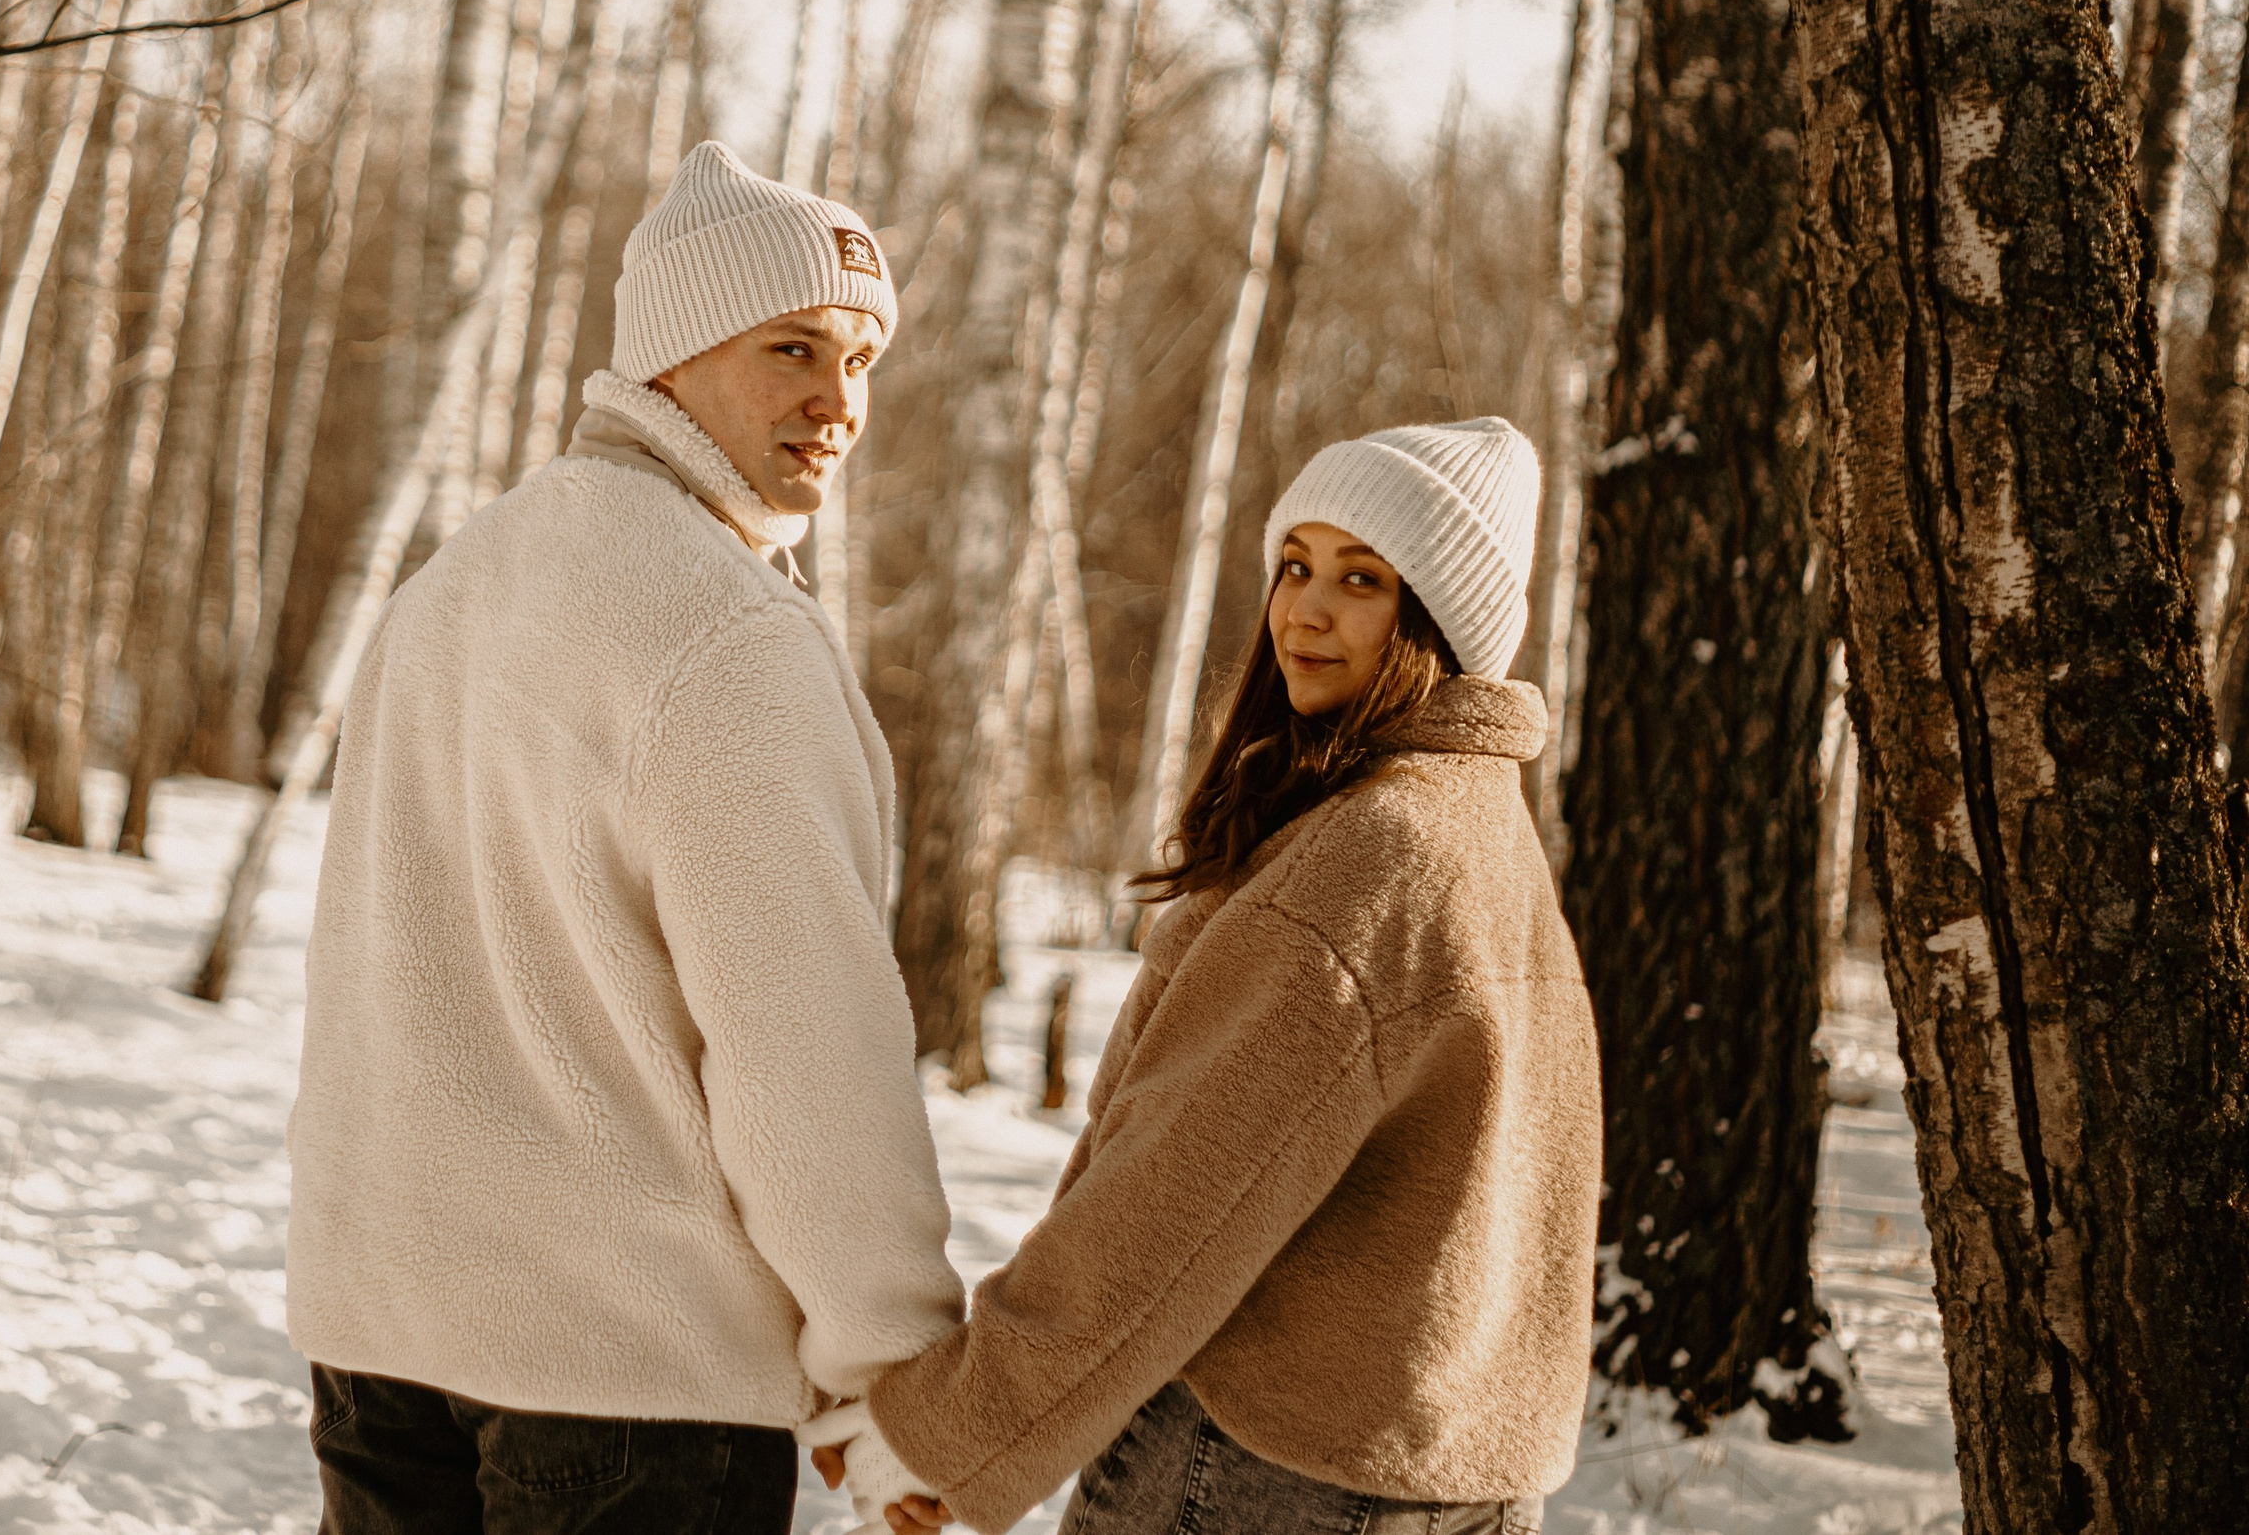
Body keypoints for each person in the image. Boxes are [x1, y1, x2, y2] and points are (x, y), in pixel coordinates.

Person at [285, 141, 964, 1534]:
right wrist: (889, 1364)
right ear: (673, 353)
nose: (840, 400)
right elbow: (807, 1052)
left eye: (862, 359)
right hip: (626, 1379)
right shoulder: (729, 636)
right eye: (795, 346)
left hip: (377, 1335)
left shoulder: (448, 586)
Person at [810, 418, 1603, 1534]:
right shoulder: (1483, 836)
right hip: (1451, 1479)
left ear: (1438, 618)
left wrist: (949, 1434)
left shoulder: (1375, 854)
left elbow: (1174, 1198)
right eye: (1295, 566)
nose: (1305, 610)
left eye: (1362, 579)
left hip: (1271, 1480)